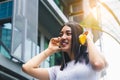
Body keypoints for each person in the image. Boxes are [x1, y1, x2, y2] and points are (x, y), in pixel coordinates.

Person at [22, 21, 107, 80]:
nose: (63, 37)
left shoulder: (90, 60)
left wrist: (89, 39)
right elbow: (27, 68)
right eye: (61, 34)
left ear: (79, 37)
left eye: (68, 33)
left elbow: (97, 64)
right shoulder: (57, 71)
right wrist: (49, 50)